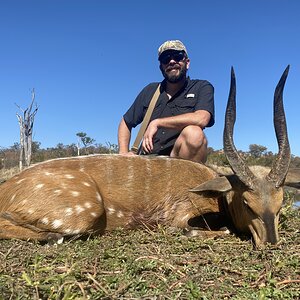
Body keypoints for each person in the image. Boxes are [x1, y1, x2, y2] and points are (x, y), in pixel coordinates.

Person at [118, 40, 215, 163]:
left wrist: (157, 123)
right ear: (161, 67)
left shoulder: (202, 87)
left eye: (178, 56)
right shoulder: (150, 90)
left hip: (177, 161)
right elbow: (126, 121)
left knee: (194, 133)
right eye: (166, 59)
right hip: (146, 161)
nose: (172, 61)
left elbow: (202, 118)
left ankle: (188, 182)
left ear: (187, 62)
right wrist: (123, 153)